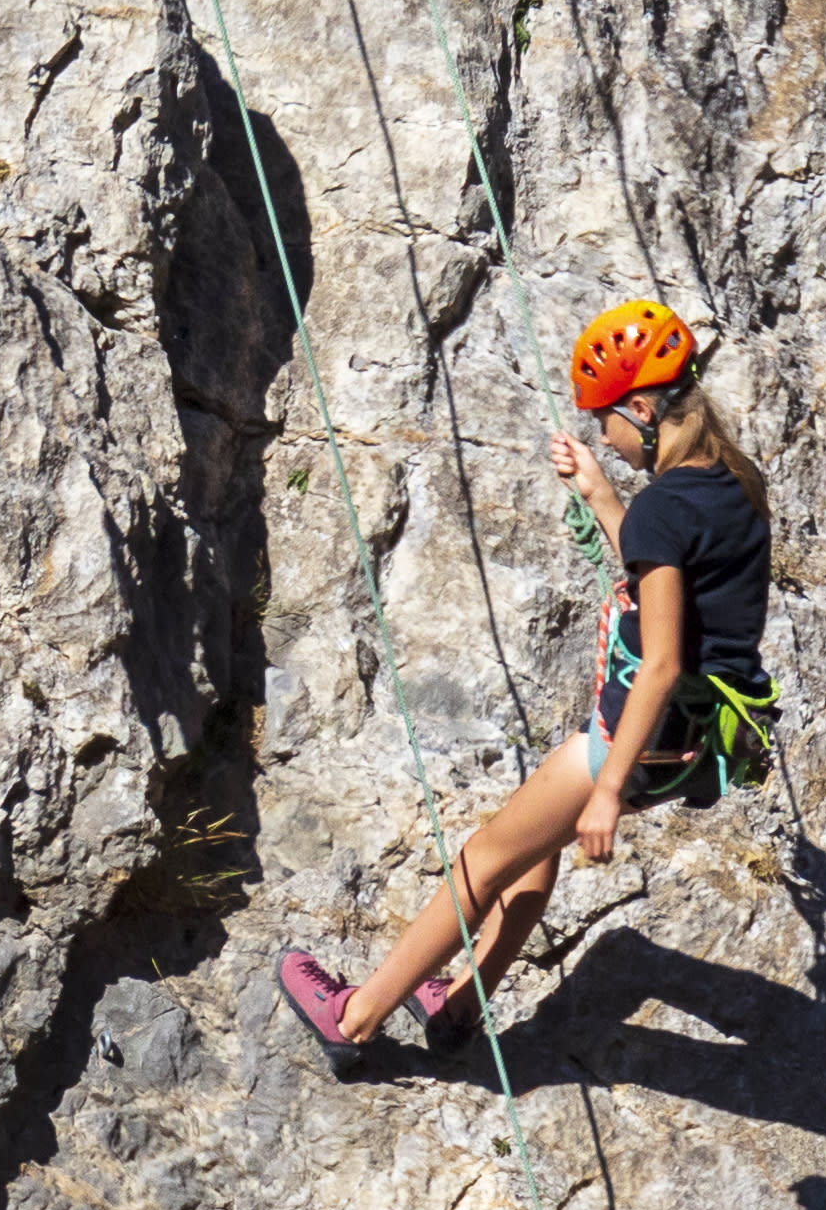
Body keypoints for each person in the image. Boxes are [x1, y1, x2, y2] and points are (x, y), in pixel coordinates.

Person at [281, 304, 780, 1069]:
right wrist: (601, 498)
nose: (605, 442)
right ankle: (456, 1004)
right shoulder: (732, 485)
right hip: (684, 746)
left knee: (482, 862)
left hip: (631, 743)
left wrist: (609, 788)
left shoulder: (664, 509)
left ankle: (354, 1018)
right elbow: (666, 589)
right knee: (531, 853)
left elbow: (662, 660)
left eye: (607, 425)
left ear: (642, 409)